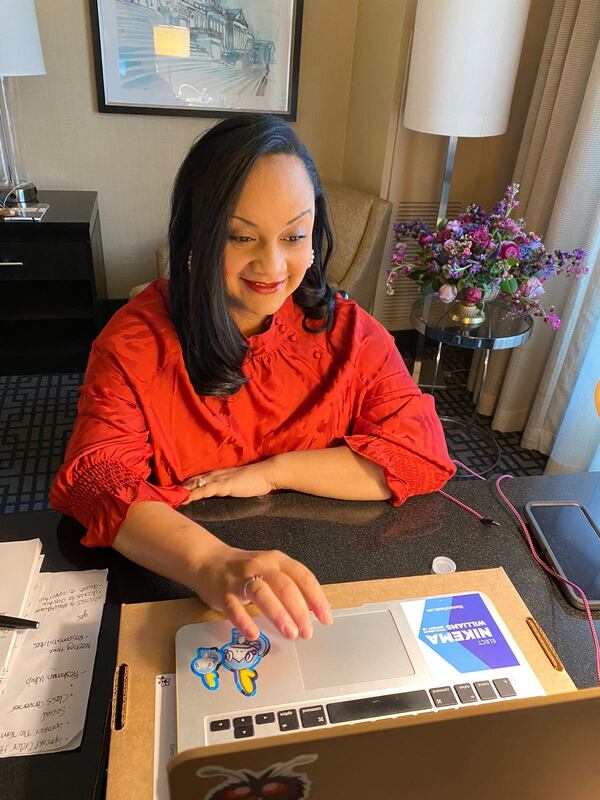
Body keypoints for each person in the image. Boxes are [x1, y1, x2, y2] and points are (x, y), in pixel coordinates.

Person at [50, 114, 455, 644]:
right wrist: (208, 563)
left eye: (294, 236)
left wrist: (274, 471)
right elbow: (98, 480)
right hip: (193, 590)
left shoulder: (351, 334)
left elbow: (418, 458)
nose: (272, 264)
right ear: (196, 235)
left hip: (322, 592)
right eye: (241, 236)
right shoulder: (137, 341)